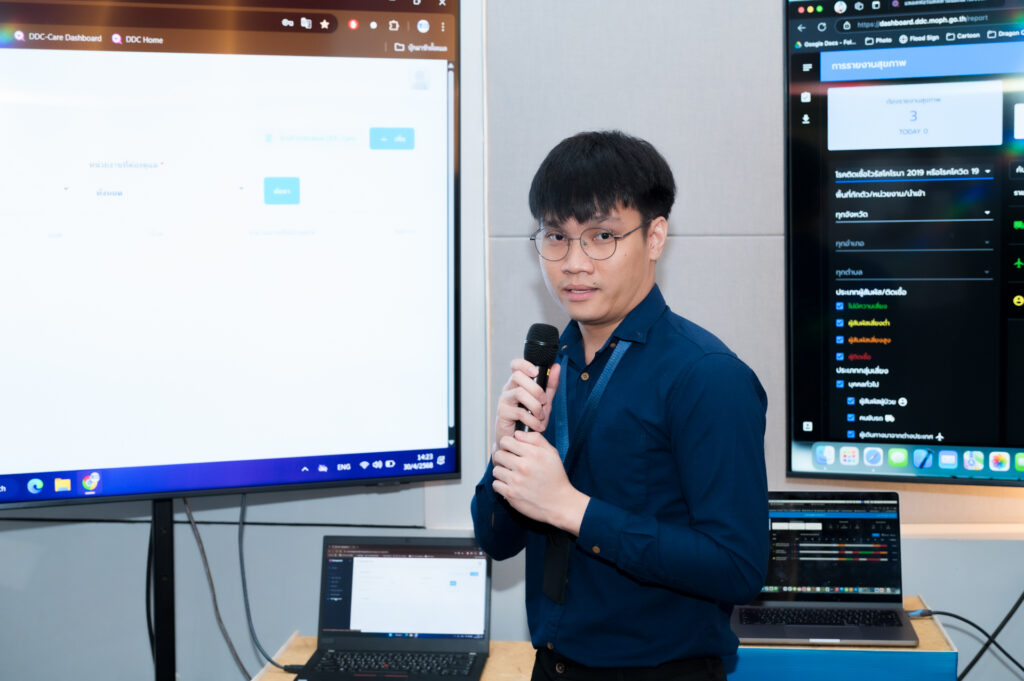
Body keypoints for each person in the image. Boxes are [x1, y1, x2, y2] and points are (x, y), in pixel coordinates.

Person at [471, 131, 769, 681]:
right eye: (556, 237)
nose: (573, 263)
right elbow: (496, 540)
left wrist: (572, 509)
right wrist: (504, 454)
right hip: (552, 667)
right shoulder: (551, 363)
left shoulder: (707, 376)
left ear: (654, 237)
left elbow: (738, 567)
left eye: (602, 236)